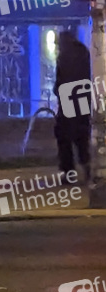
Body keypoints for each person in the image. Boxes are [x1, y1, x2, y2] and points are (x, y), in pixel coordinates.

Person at [54, 31, 91, 183]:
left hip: (68, 99)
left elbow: (61, 79)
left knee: (64, 137)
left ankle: (69, 173)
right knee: (81, 137)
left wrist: (58, 90)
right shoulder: (83, 52)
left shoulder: (65, 55)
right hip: (82, 98)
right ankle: (87, 168)